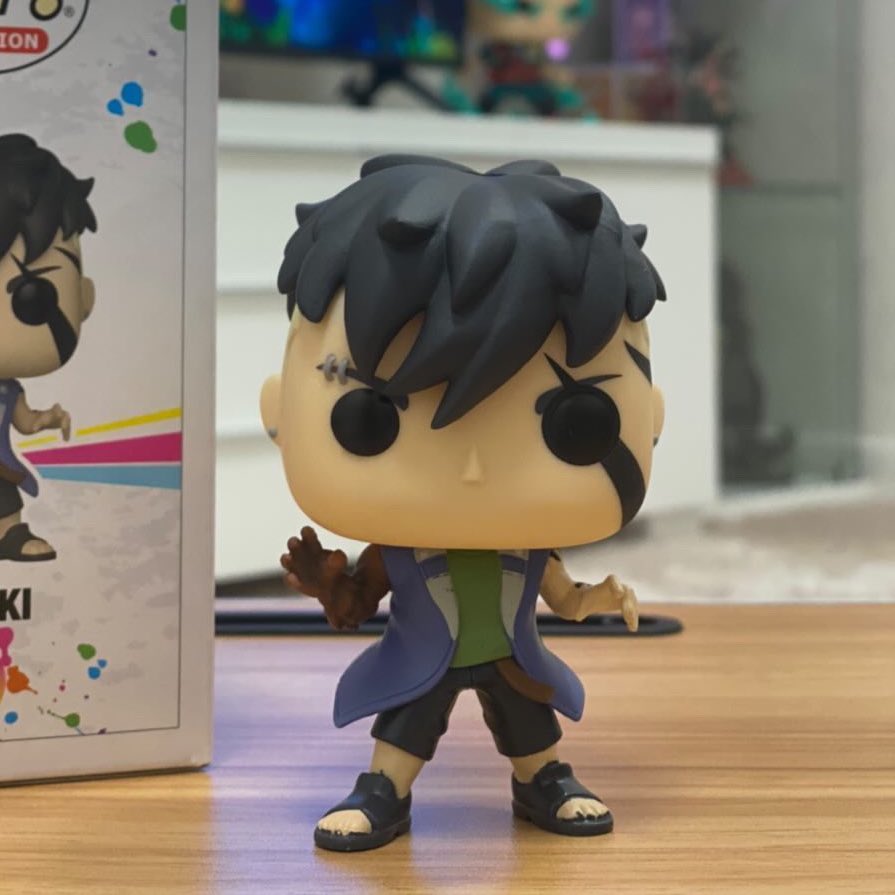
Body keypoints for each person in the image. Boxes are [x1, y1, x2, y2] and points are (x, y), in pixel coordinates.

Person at [260, 155, 666, 851]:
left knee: (531, 729)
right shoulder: (400, 550)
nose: (474, 468)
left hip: (514, 658)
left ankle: (544, 782)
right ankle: (382, 792)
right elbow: (358, 602)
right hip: (421, 659)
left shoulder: (530, 550)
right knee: (404, 728)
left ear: (650, 416)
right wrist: (332, 585)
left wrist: (598, 596)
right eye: (370, 419)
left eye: (576, 423)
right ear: (278, 413)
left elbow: (563, 599)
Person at [0, 134, 97, 562]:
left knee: (6, 499)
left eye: (32, 297)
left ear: (83, 298)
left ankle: (9, 535)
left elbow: (24, 422)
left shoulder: (9, 393)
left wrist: (47, 419)